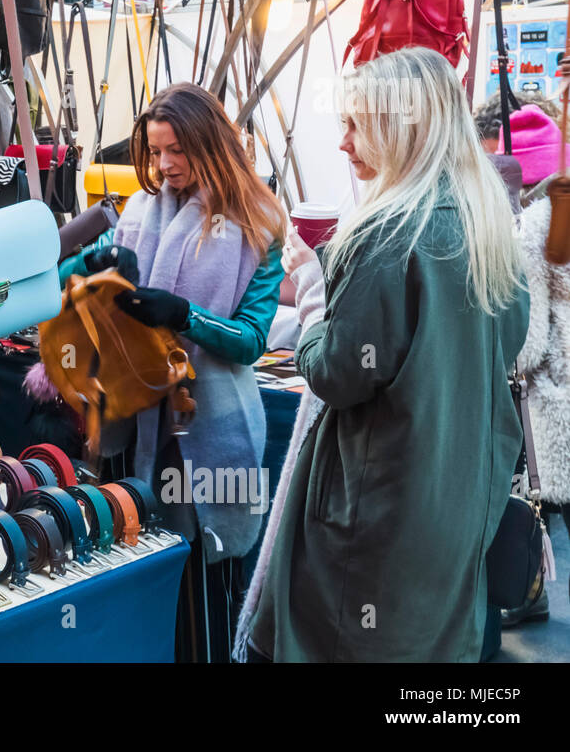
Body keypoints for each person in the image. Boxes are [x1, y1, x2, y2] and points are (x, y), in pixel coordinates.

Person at [240, 46, 529, 662]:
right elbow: (511, 343)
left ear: (404, 126)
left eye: (355, 124)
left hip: (382, 504)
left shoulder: (388, 237)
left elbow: (335, 373)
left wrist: (315, 296)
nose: (343, 143)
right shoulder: (487, 226)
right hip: (458, 495)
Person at [61, 81, 286, 662]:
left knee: (201, 582)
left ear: (209, 143)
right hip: (130, 420)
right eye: (155, 151)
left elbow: (252, 340)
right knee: (136, 566)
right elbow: (68, 269)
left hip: (204, 434)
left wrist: (186, 315)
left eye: (176, 151)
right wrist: (99, 265)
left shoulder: (257, 223)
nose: (163, 165)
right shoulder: (137, 211)